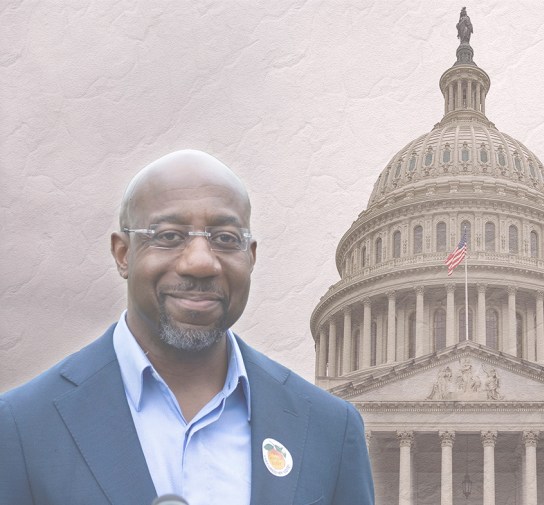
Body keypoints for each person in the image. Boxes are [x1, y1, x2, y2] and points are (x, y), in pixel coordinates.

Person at [0, 150, 375, 505]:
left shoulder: (330, 429)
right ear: (123, 254)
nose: (200, 262)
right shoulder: (21, 426)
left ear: (251, 257)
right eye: (168, 236)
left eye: (225, 239)